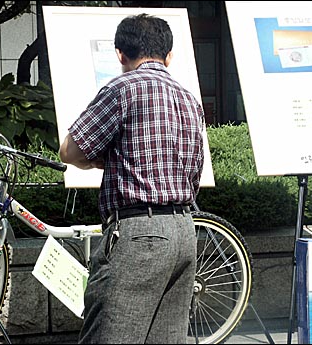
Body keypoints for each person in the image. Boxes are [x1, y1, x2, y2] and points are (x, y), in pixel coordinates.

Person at [59, 13, 205, 344]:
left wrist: (103, 162)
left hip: (140, 233)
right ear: (168, 56)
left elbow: (69, 150)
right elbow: (193, 172)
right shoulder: (189, 99)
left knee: (110, 336)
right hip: (184, 230)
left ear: (121, 54)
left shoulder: (122, 89)